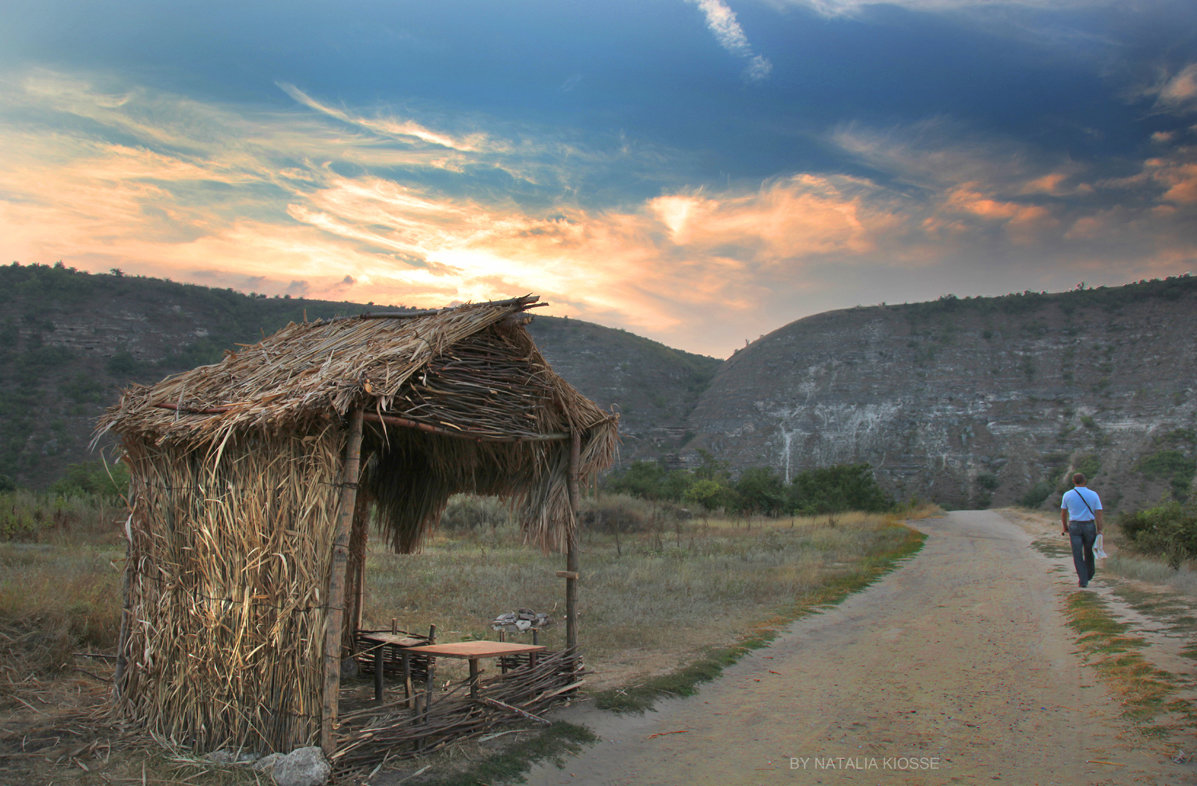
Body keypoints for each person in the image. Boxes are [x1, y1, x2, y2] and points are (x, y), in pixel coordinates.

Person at [1060, 473, 1104, 588]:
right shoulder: (1094, 495)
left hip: (1074, 525)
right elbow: (1098, 513)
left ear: (1073, 481)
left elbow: (1063, 513)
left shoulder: (1067, 495)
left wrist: (1065, 527)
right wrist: (1099, 529)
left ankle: (1083, 579)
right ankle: (1089, 573)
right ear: (1085, 481)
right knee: (1089, 552)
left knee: (1077, 553)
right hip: (1089, 525)